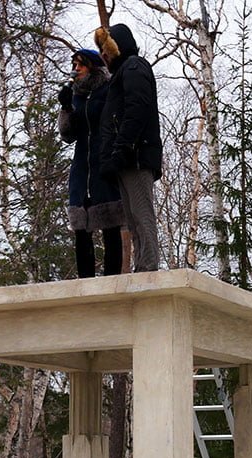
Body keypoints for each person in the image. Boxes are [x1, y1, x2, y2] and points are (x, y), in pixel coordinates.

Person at [94, 23, 162, 273]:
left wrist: (122, 148)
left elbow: (137, 109)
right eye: (101, 50)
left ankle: (149, 268)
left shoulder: (134, 66)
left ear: (117, 46)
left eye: (106, 49)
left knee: (142, 214)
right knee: (132, 219)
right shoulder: (122, 73)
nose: (103, 55)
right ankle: (142, 266)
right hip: (125, 157)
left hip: (135, 155)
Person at [57, 48, 125, 278]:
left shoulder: (107, 90)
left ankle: (112, 280)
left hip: (103, 162)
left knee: (110, 224)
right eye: (74, 65)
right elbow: (68, 135)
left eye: (81, 64)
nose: (76, 69)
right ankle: (85, 282)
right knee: (81, 225)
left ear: (92, 67)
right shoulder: (76, 95)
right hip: (81, 166)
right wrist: (66, 108)